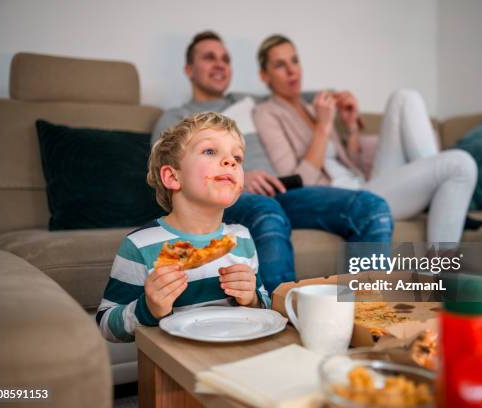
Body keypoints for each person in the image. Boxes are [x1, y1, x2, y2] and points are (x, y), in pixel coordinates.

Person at [152, 31, 394, 294]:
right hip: (237, 197)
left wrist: (339, 100)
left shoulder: (249, 102)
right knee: (267, 211)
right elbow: (164, 171)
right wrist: (239, 176)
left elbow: (295, 91)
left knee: (372, 207)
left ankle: (364, 315)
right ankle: (280, 317)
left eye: (225, 59)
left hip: (284, 191)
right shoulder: (175, 117)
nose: (220, 64)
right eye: (209, 58)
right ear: (189, 69)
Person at [253, 35, 478, 244]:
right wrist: (323, 127)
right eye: (280, 65)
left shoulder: (314, 108)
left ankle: (436, 195)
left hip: (364, 183)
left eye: (294, 61)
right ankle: (439, 272)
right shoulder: (267, 112)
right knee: (460, 164)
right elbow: (296, 182)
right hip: (345, 197)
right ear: (264, 76)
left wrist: (350, 127)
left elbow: (352, 167)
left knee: (404, 97)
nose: (292, 71)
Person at [97, 112, 270, 342]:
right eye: (210, 151)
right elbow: (106, 326)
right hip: (173, 365)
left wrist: (253, 299)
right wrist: (147, 307)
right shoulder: (141, 245)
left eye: (237, 158)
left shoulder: (242, 238)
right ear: (172, 177)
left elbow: (264, 304)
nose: (230, 161)